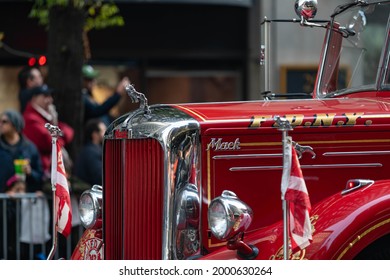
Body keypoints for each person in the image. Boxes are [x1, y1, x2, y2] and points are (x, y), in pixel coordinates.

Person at [22, 84, 74, 179]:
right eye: (45, 96)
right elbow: (49, 142)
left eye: (50, 96)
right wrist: (59, 135)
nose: (50, 100)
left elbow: (69, 131)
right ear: (34, 98)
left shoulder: (46, 117)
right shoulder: (30, 118)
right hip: (42, 172)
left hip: (52, 169)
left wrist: (56, 129)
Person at [73, 118, 106, 186]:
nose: (106, 134)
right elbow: (101, 177)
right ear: (95, 134)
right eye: (103, 131)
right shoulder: (91, 152)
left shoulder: (91, 149)